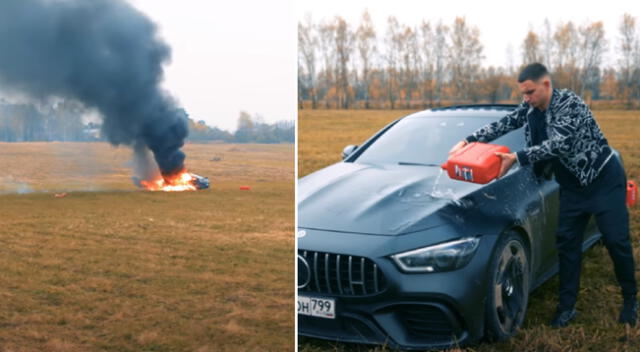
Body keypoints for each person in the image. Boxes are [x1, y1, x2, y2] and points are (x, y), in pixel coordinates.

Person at [449, 62, 638, 327]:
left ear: (546, 85)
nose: (526, 99)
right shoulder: (530, 107)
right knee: (567, 245)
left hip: (603, 181)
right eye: (523, 94)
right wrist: (469, 140)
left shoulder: (570, 104)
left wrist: (517, 157)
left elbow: (559, 144)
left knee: (617, 242)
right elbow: (506, 123)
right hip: (572, 189)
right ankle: (567, 307)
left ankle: (630, 299)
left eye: (530, 92)